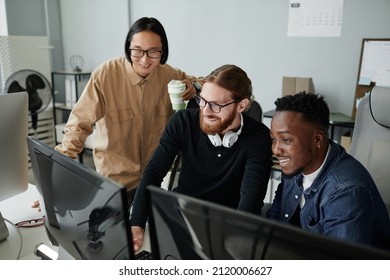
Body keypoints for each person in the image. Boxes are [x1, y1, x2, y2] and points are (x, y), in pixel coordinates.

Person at [54, 17, 203, 202]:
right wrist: (57, 177)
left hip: (154, 180)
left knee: (149, 230)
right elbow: (78, 124)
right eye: (138, 51)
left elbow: (206, 82)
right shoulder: (105, 74)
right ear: (128, 47)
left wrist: (194, 85)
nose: (145, 60)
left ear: (162, 50)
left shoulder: (170, 75)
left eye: (153, 52)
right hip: (114, 182)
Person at [131, 64, 273, 252]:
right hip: (182, 215)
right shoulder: (182, 122)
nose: (205, 111)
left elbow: (251, 198)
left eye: (215, 105)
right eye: (202, 101)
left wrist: (237, 241)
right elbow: (153, 173)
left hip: (226, 226)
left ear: (242, 105)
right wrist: (137, 223)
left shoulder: (259, 137)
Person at [268, 92, 390, 250]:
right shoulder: (297, 164)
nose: (276, 150)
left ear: (317, 139)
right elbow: (276, 215)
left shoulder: (346, 192)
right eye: (273, 139)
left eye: (286, 140)